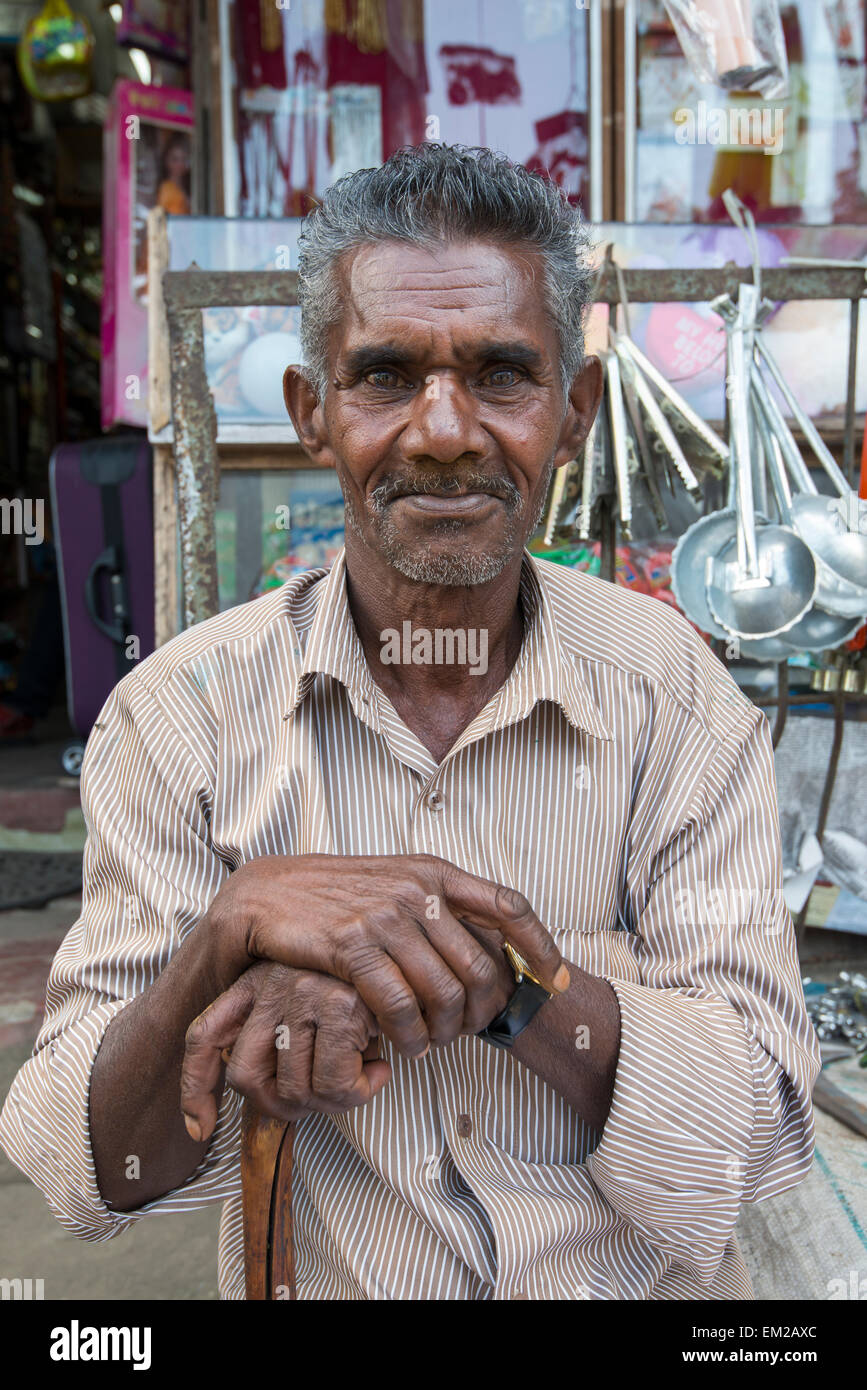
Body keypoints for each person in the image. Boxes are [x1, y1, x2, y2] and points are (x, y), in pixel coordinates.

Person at [0, 144, 820, 1301]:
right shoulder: (180, 719)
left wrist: (511, 985)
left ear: (573, 411)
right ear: (313, 412)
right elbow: (92, 1171)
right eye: (386, 376)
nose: (444, 431)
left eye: (500, 374)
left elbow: (759, 1136)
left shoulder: (678, 698)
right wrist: (228, 939)